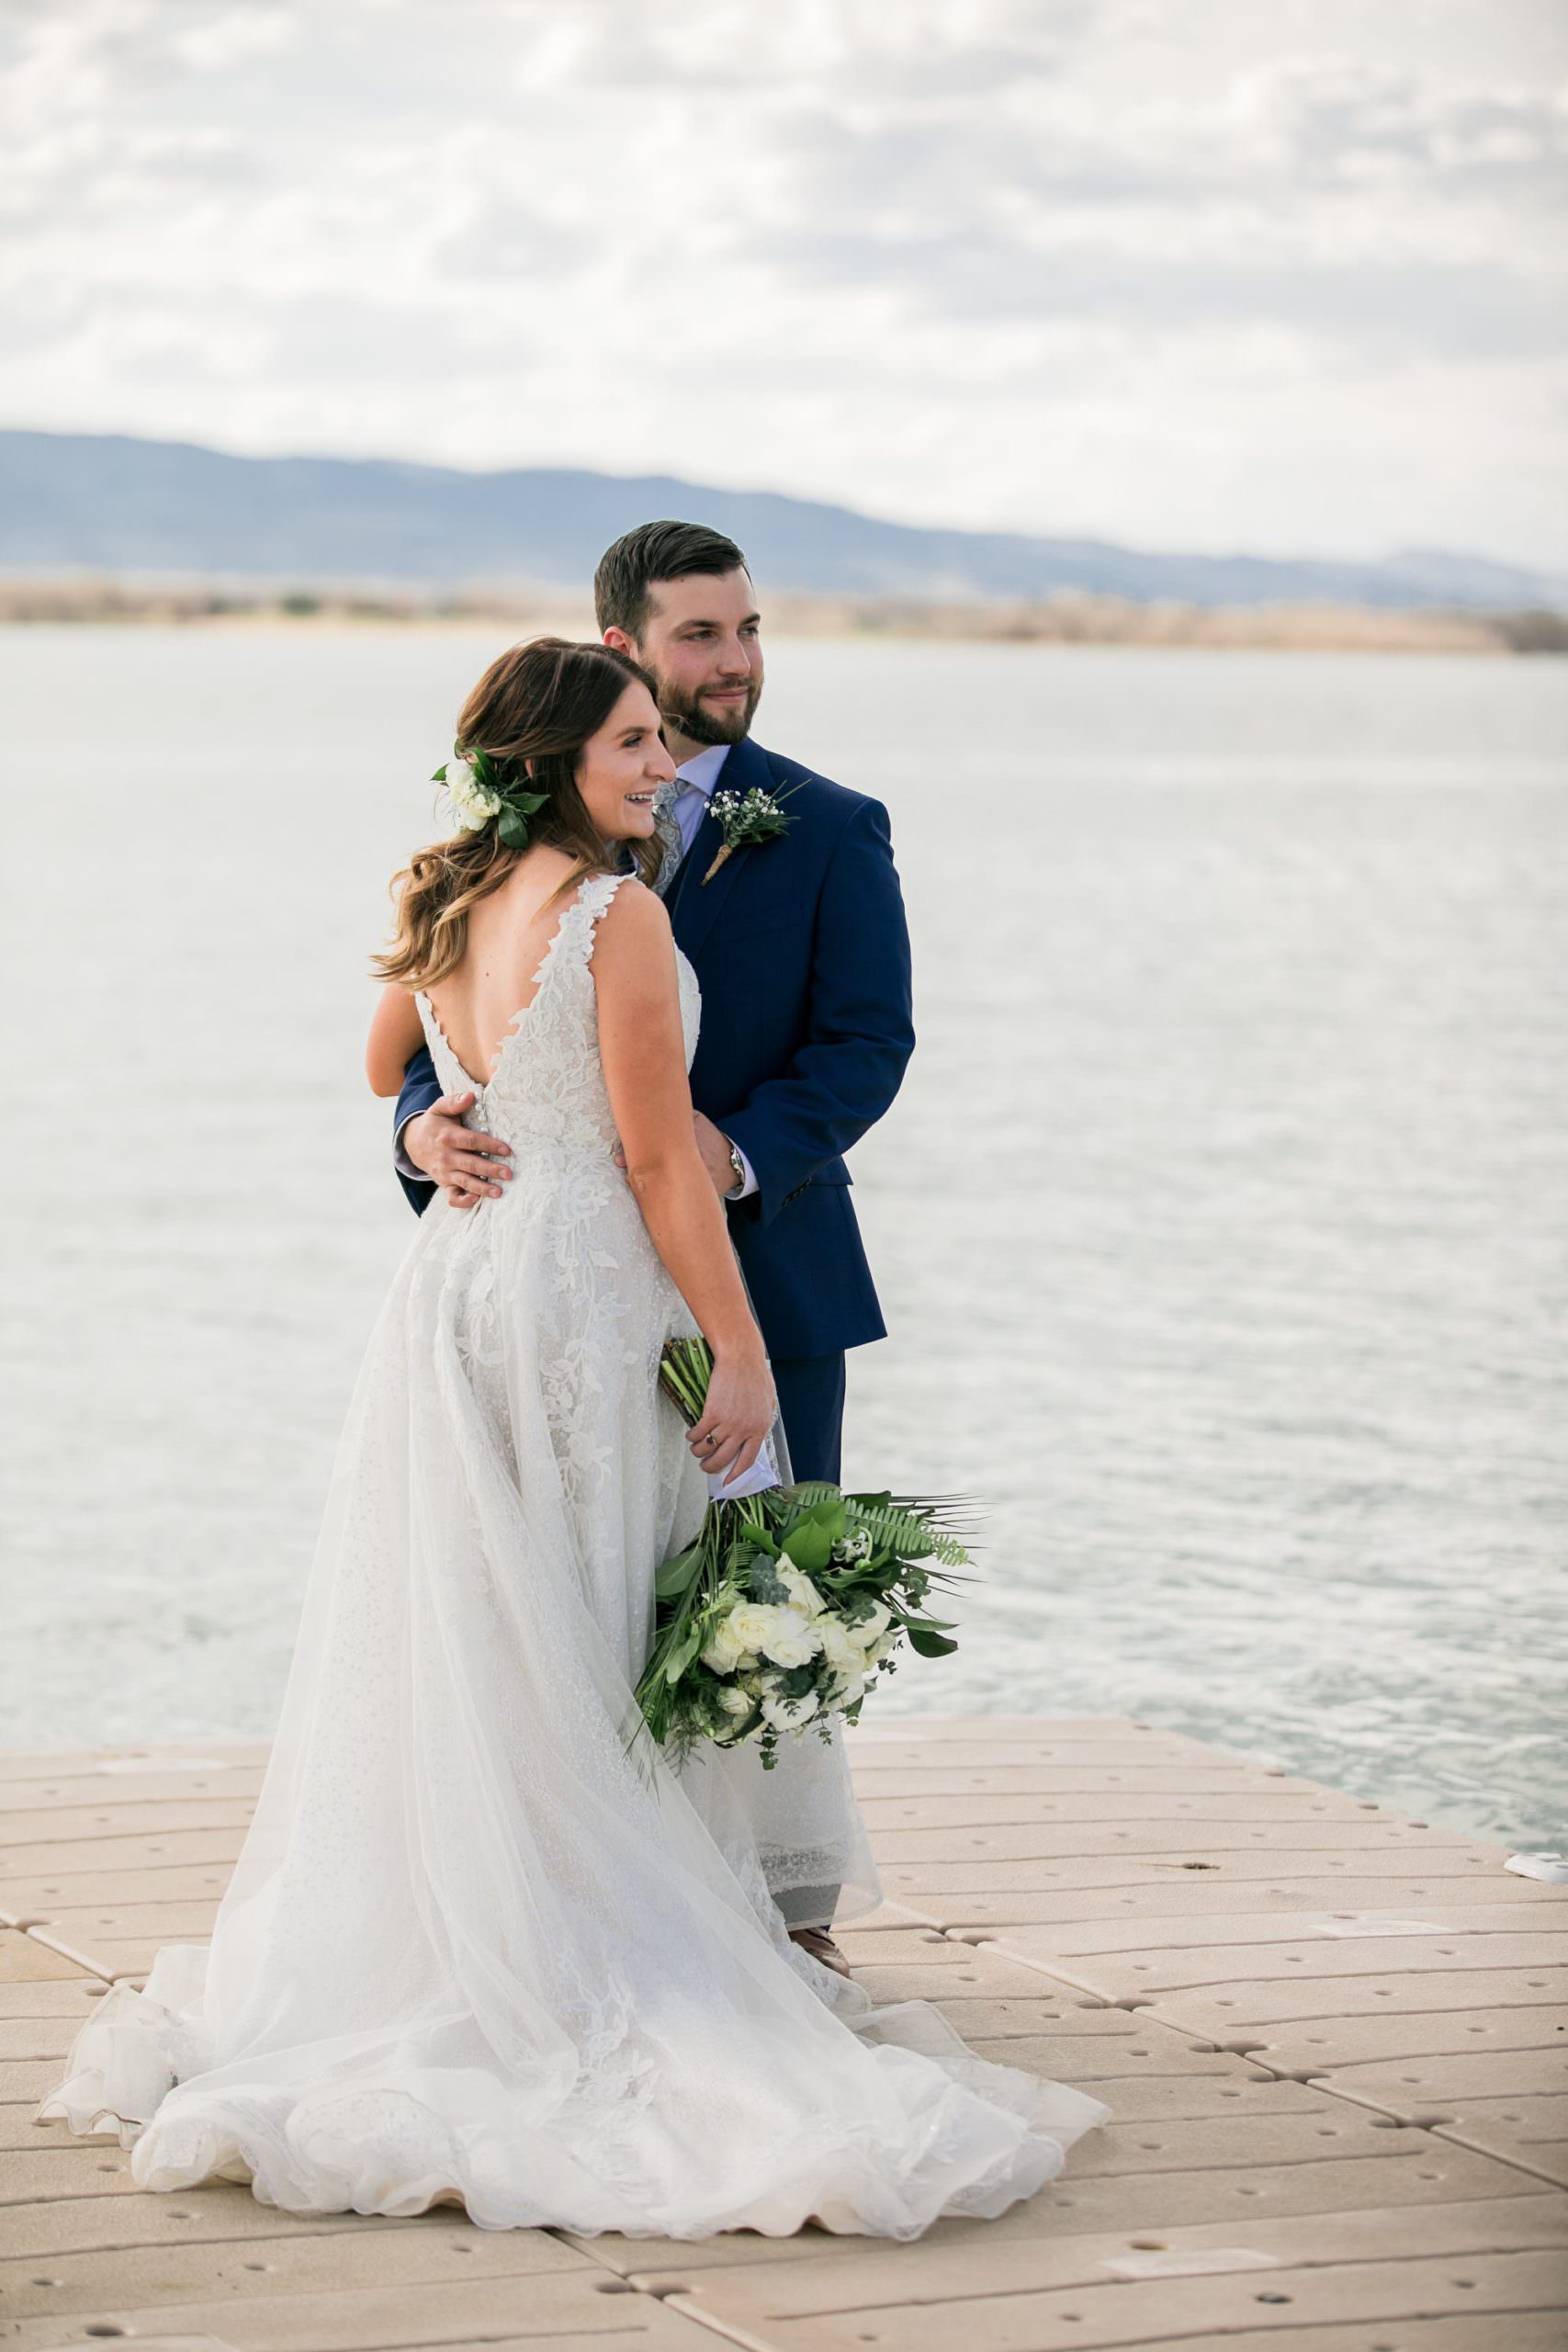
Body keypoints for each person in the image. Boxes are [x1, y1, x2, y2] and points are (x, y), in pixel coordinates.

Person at [38, 638, 1105, 2237]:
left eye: (658, 743)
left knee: (495, 1617)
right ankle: (587, 1957)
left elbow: (386, 1063)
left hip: (463, 1284)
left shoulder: (454, 892)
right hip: (592, 1291)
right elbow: (661, 1164)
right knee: (592, 1614)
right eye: (628, 742)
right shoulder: (618, 913)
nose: (661, 765)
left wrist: (433, 1120)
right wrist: (737, 1348)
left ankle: (493, 1927)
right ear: (554, 758)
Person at [396, 522, 914, 1971]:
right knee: (563, 1593)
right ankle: (594, 1913)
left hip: (769, 1270)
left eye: (749, 629)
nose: (736, 662)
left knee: (761, 1590)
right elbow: (425, 1050)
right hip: (556, 1288)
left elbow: (868, 1044)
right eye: (700, 636)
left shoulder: (826, 822)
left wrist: (729, 1153)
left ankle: (791, 1929)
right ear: (620, 647)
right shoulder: (506, 852)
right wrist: (426, 1134)